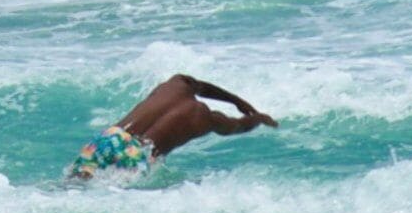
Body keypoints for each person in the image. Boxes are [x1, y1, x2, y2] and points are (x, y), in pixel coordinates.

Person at [70, 74, 276, 178]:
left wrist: (234, 100)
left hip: (110, 138)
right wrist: (259, 118)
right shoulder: (206, 118)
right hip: (139, 154)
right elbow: (238, 126)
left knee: (74, 186)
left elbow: (200, 85)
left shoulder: (173, 85)